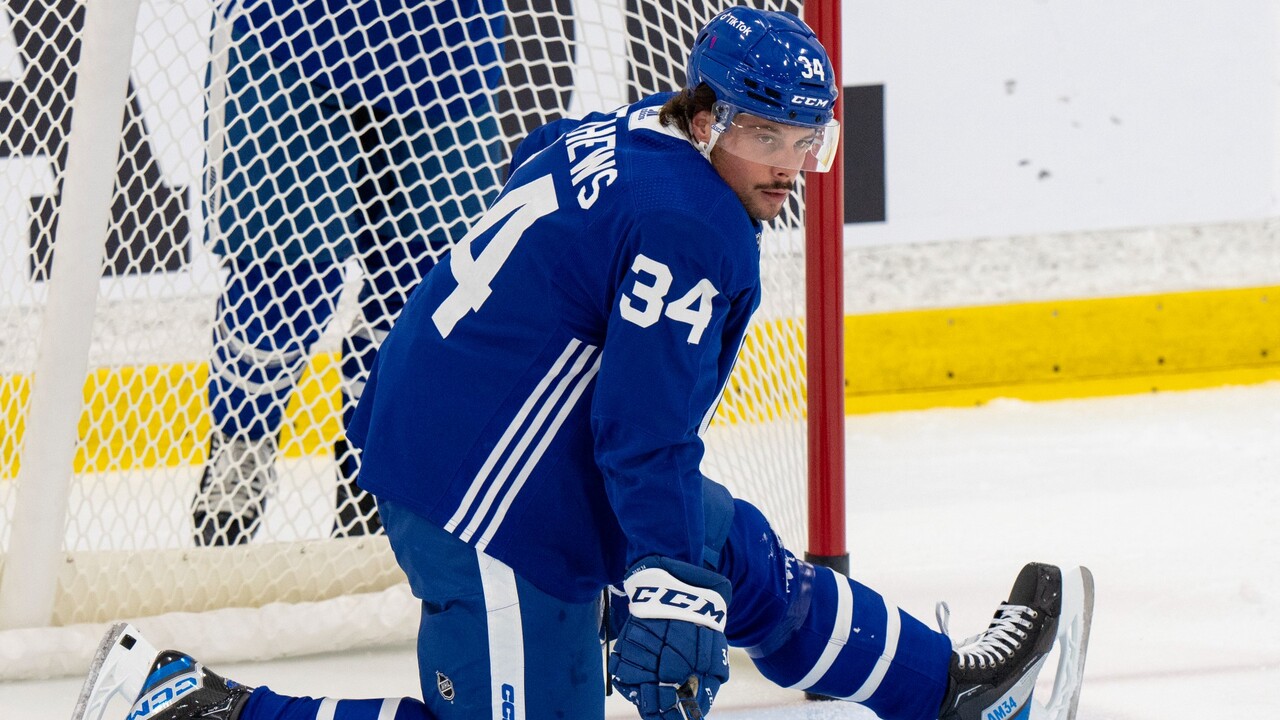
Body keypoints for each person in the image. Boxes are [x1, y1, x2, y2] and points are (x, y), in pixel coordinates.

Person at [76, 7, 1092, 720]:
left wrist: (673, 572)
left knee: (724, 550)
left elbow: (542, 180)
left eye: (807, 143)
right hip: (485, 498)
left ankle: (947, 693)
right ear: (710, 116)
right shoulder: (693, 228)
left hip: (453, 430)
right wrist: (659, 579)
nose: (789, 168)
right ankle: (199, 710)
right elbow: (639, 434)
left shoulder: (633, 125)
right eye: (769, 138)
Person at [193, 0, 506, 545]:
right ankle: (241, 451)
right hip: (291, 34)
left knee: (422, 287)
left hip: (447, 47)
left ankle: (373, 474)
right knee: (284, 275)